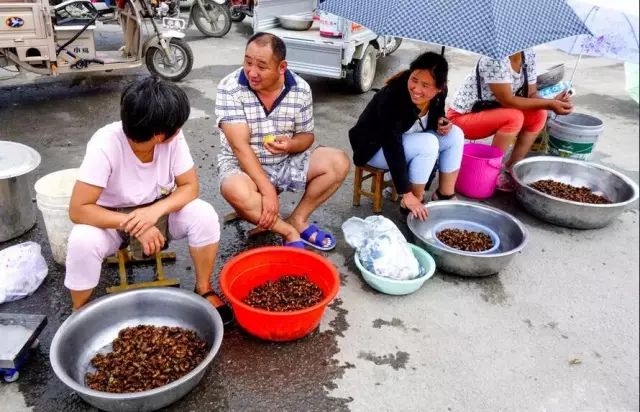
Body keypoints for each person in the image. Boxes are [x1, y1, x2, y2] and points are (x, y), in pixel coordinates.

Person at [65, 76, 231, 323]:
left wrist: (154, 212)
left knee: (203, 214)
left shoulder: (173, 139)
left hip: (160, 212)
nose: (179, 131)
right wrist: (133, 224)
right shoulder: (105, 144)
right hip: (113, 220)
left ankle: (203, 287)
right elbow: (79, 210)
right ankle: (80, 313)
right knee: (81, 240)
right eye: (176, 127)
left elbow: (189, 187)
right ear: (160, 135)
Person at [215, 32, 350, 250]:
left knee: (339, 161)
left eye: (261, 66)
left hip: (284, 161)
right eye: (248, 62)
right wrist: (268, 191)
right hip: (243, 165)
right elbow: (239, 147)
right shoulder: (230, 88)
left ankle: (298, 218)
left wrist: (291, 145)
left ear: (281, 67)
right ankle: (287, 230)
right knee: (234, 189)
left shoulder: (300, 89)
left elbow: (307, 135)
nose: (252, 72)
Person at [349, 52, 464, 220]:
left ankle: (444, 194)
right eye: (414, 80)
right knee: (428, 143)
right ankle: (411, 201)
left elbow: (436, 113)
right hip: (374, 148)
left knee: (455, 134)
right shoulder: (392, 95)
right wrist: (406, 192)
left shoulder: (441, 92)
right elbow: (391, 143)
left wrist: (442, 121)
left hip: (407, 142)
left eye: (425, 85)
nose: (417, 89)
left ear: (439, 88)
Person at [447, 48, 573, 191]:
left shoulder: (528, 54)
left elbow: (531, 94)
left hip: (493, 112)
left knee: (539, 114)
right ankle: (491, 173)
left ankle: (511, 169)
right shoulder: (493, 58)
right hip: (461, 117)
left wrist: (552, 101)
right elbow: (508, 100)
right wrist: (550, 104)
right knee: (514, 117)